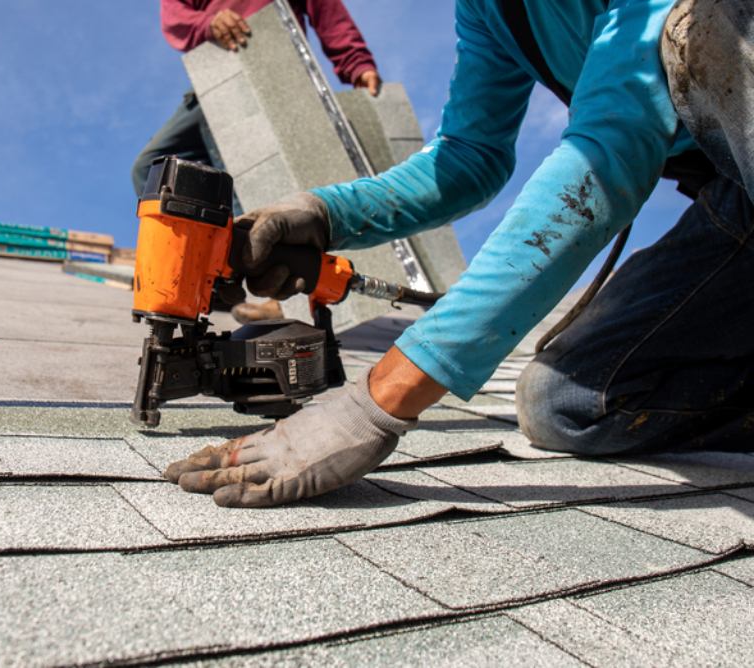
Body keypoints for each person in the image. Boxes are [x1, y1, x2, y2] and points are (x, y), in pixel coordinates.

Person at [165, 0, 754, 507]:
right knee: (567, 404)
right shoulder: (488, 11)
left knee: (706, 31)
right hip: (737, 197)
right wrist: (325, 215)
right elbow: (470, 157)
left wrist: (377, 403)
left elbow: (610, 147)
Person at [132, 0, 383, 322]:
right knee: (154, 167)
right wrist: (209, 23)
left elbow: (329, 13)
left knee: (260, 180)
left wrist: (357, 64)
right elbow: (175, 13)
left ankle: (277, 295)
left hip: (274, 72)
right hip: (217, 77)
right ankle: (210, 272)